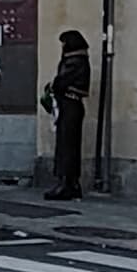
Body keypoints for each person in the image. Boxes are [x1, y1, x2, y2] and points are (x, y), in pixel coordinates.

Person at [40, 28, 92, 201]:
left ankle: (65, 184)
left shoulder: (73, 61)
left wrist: (52, 87)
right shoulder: (81, 60)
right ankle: (72, 184)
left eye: (63, 43)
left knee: (66, 145)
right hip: (74, 104)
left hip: (69, 104)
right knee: (71, 145)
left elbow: (60, 82)